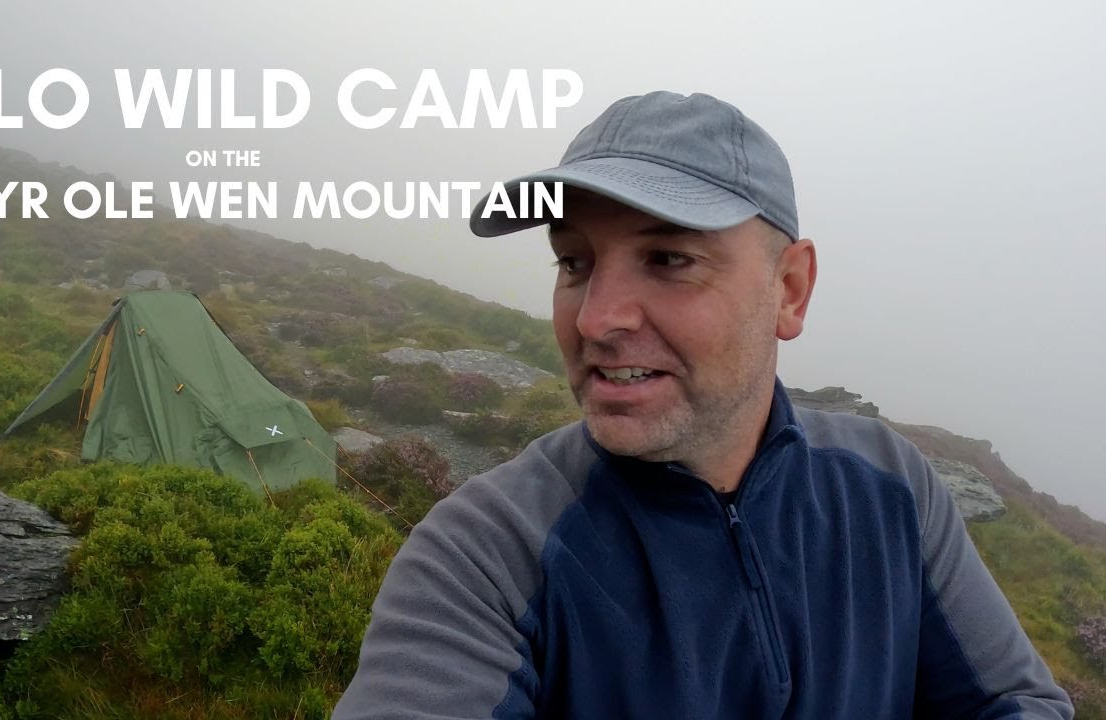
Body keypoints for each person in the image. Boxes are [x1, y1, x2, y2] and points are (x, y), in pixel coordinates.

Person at [332, 91, 1073, 718]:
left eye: (669, 259)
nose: (595, 319)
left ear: (790, 289)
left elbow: (1016, 702)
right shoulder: (486, 554)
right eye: (574, 262)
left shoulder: (889, 485)